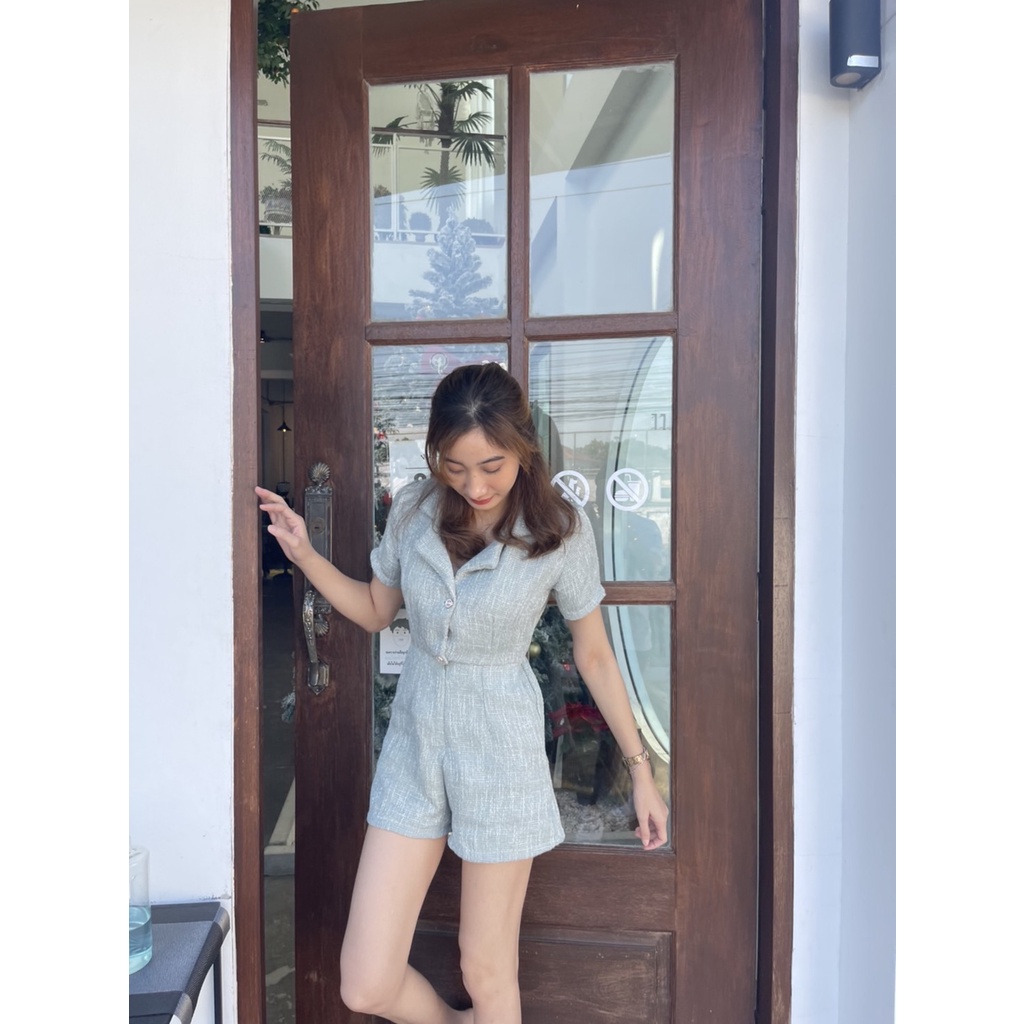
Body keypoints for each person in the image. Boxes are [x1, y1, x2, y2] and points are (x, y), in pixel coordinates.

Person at [256, 361, 669, 1024]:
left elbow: (594, 655)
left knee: (486, 969)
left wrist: (642, 770)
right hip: (414, 753)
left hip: (501, 756)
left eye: (492, 466)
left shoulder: (561, 530)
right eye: (455, 467)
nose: (475, 486)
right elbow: (374, 610)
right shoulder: (415, 511)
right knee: (365, 984)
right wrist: (303, 553)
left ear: (523, 450)